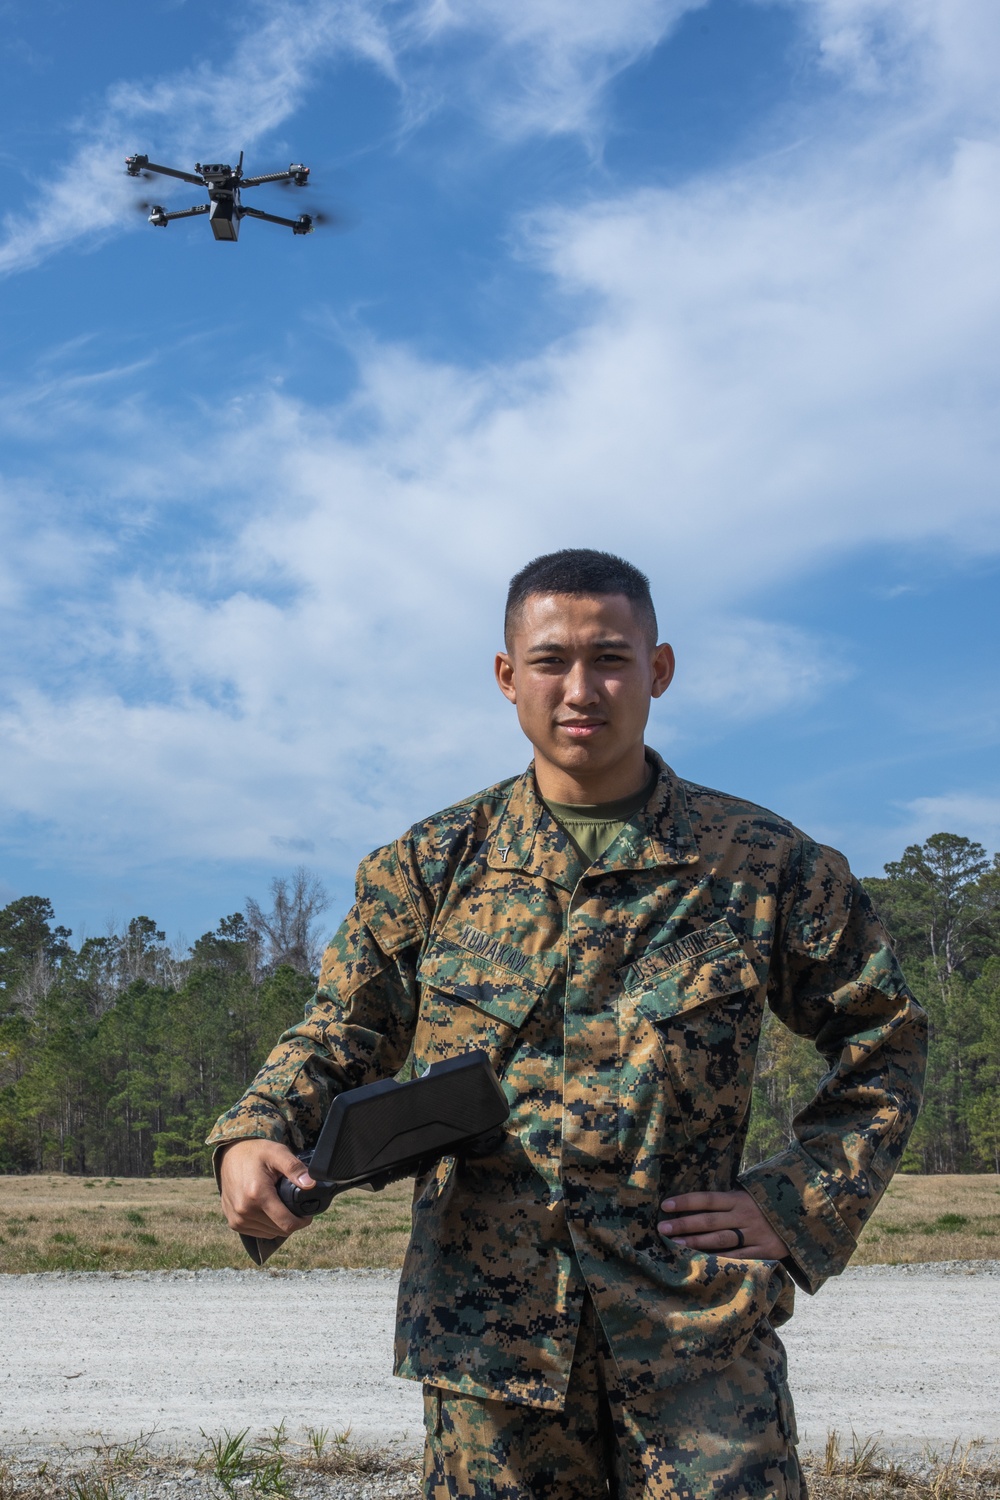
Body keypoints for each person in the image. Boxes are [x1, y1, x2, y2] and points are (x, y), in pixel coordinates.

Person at [209, 548, 927, 1500]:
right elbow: (339, 1033)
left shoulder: (764, 866)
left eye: (611, 658)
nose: (580, 689)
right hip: (490, 1353)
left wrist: (794, 1206)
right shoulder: (427, 869)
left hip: (695, 1340)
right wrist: (257, 1131)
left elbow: (885, 1040)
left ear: (658, 670)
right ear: (508, 678)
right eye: (550, 661)